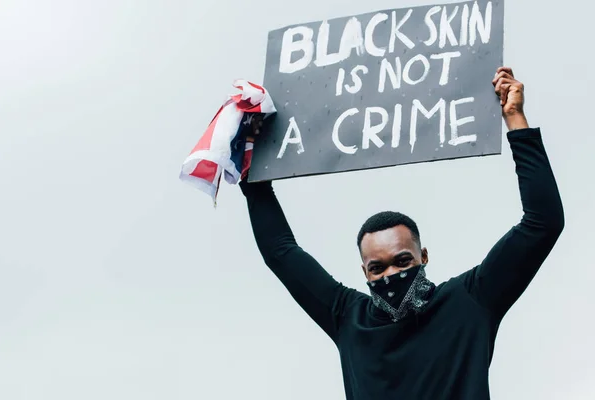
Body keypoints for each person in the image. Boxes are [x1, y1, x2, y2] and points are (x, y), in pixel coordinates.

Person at [239, 67, 564, 399]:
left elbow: (542, 223)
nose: (391, 274)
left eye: (402, 261)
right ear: (364, 271)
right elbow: (280, 251)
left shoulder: (470, 300)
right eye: (378, 268)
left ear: (423, 257)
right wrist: (254, 170)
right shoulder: (348, 317)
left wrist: (515, 119)